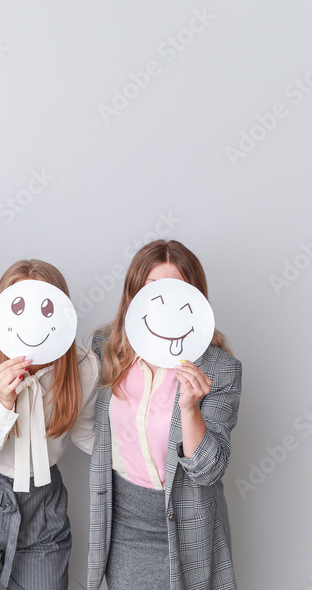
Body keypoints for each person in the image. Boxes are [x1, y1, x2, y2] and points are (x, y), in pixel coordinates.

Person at [88, 239, 242, 590]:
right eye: (152, 290)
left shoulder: (220, 368)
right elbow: (91, 428)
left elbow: (209, 470)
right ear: (133, 295)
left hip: (188, 528)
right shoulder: (106, 350)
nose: (165, 305)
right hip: (122, 527)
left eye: (177, 291)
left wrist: (190, 409)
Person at [0, 259, 99, 590]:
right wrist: (1, 402)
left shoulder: (84, 366)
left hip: (43, 500)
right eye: (17, 306)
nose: (31, 321)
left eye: (45, 308)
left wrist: (147, 455)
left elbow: (85, 432)